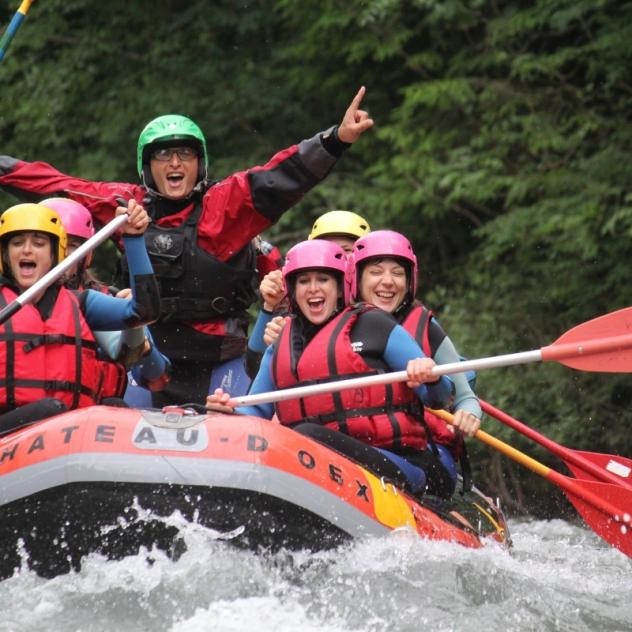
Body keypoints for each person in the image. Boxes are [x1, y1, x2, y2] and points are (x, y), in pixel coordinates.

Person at [0, 88, 374, 407]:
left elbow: (283, 175)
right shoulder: (125, 207)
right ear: (147, 166)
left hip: (221, 360)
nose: (175, 163)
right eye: (163, 155)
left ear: (200, 163)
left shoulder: (226, 206)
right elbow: (54, 184)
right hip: (147, 357)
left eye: (185, 154)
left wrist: (335, 139)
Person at [207, 239, 456, 498]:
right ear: (293, 290)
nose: (313, 289)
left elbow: (440, 396)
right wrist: (228, 413)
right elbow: (255, 410)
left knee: (304, 435)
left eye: (323, 280)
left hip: (398, 462)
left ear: (339, 287)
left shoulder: (375, 325)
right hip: (315, 465)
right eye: (304, 281)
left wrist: (428, 376)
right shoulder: (281, 344)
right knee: (301, 438)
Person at [0, 201, 159, 433]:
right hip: (9, 429)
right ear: (5, 254)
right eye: (17, 243)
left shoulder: (81, 302)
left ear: (55, 253)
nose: (26, 250)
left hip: (66, 430)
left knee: (114, 409)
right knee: (52, 409)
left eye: (38, 243)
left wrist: (133, 239)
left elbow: (145, 311)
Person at [350, 229, 482, 492]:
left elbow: (464, 395)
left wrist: (469, 413)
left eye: (397, 273)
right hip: (360, 442)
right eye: (376, 272)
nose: (388, 282)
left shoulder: (426, 327)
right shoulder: (339, 326)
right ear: (356, 278)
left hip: (420, 450)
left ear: (409, 281)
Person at [41, 197, 171, 405]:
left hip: (89, 421)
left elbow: (158, 380)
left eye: (72, 246)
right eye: (54, 244)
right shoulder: (11, 302)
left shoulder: (99, 304)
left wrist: (137, 333)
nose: (62, 255)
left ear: (87, 254)